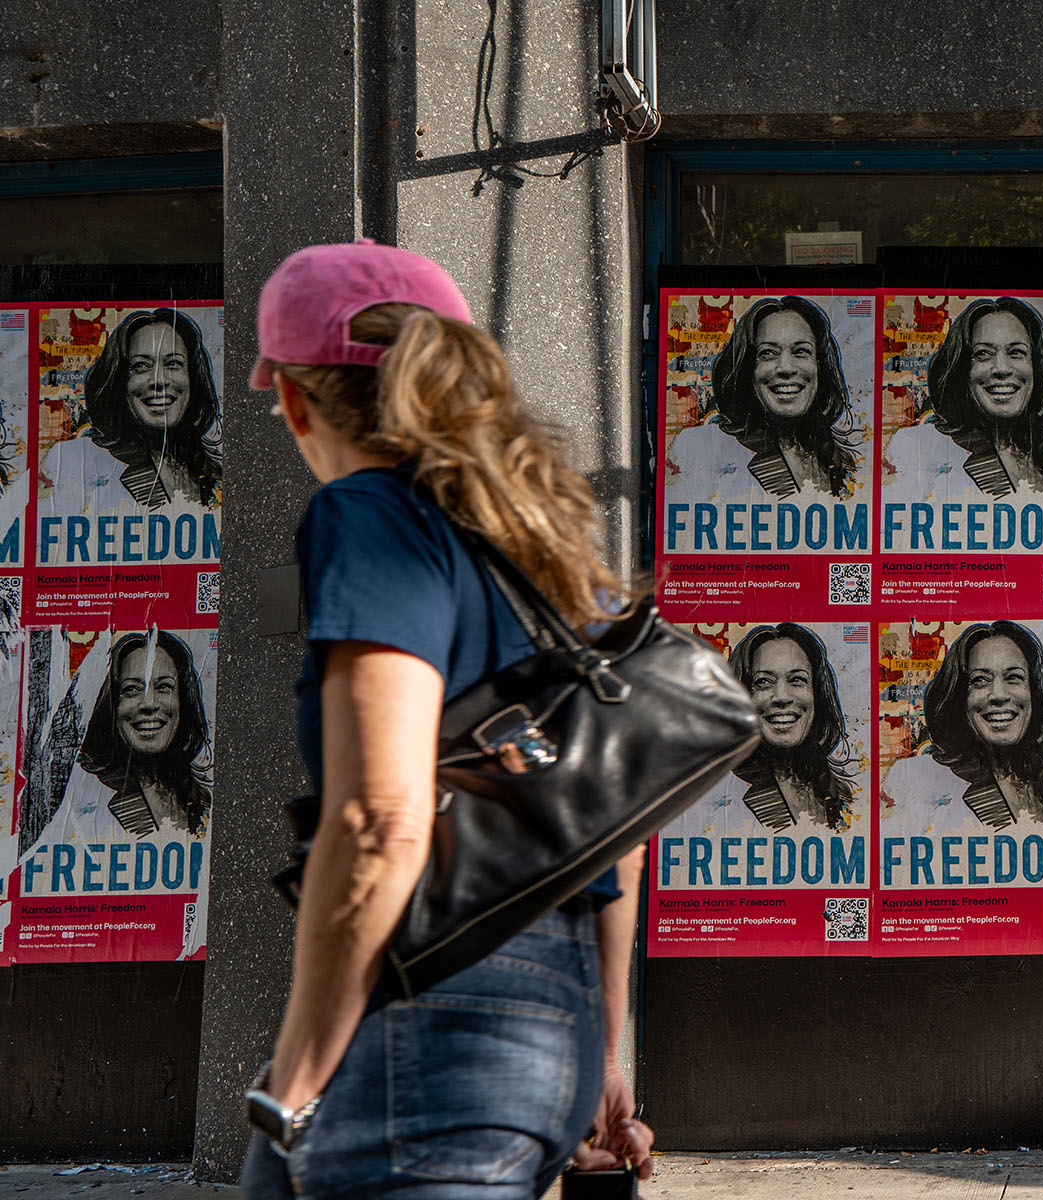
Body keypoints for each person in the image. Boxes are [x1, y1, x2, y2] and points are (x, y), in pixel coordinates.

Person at [238, 241, 652, 1198]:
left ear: (296, 400)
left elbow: (381, 821)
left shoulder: (371, 516)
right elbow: (614, 835)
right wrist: (602, 1053)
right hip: (555, 1025)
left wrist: (296, 1079)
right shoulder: (542, 545)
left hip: (432, 1018)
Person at [20, 629, 212, 847]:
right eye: (131, 689)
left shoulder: (202, 798)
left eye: (164, 687)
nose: (149, 704)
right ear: (111, 705)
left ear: (183, 700)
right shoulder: (85, 795)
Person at [666, 295, 860, 500]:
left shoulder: (843, 461)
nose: (786, 367)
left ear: (820, 367)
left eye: (801, 351)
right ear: (748, 369)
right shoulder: (703, 447)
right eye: (768, 353)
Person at [883, 297, 1043, 502]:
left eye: (1017, 352)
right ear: (961, 369)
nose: (1001, 368)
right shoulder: (918, 445)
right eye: (983, 354)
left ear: (1037, 367)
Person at [885, 621, 1043, 830]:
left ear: (1034, 692)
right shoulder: (917, 779)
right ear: (960, 698)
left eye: (1014, 678)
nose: (998, 695)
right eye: (980, 680)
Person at [40, 307, 223, 516]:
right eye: (141, 366)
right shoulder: (74, 460)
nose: (158, 380)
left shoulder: (216, 474)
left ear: (192, 378)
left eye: (173, 363)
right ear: (120, 383)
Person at [725, 622, 858, 832]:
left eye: (797, 679)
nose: (782, 697)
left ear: (817, 694)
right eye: (763, 682)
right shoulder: (724, 796)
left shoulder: (839, 794)